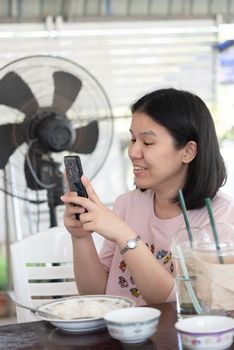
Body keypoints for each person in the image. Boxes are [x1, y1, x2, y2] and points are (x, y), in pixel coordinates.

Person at [61, 87, 234, 306]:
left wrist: (125, 236)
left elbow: (178, 303)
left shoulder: (221, 214)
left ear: (188, 152)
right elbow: (97, 295)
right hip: (119, 335)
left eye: (148, 142)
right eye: (133, 140)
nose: (133, 152)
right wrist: (80, 237)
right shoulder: (127, 204)